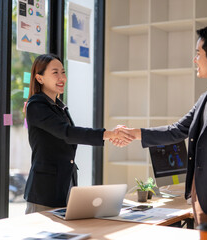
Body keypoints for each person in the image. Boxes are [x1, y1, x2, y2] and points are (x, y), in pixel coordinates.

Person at [113, 26, 207, 225]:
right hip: (200, 201)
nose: (195, 60)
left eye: (198, 54)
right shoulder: (205, 97)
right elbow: (177, 130)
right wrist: (133, 133)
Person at [24, 54, 133, 214]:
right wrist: (109, 134)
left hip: (65, 186)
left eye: (63, 72)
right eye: (55, 73)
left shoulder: (59, 106)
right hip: (44, 192)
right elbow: (68, 133)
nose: (62, 77)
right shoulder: (36, 106)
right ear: (40, 79)